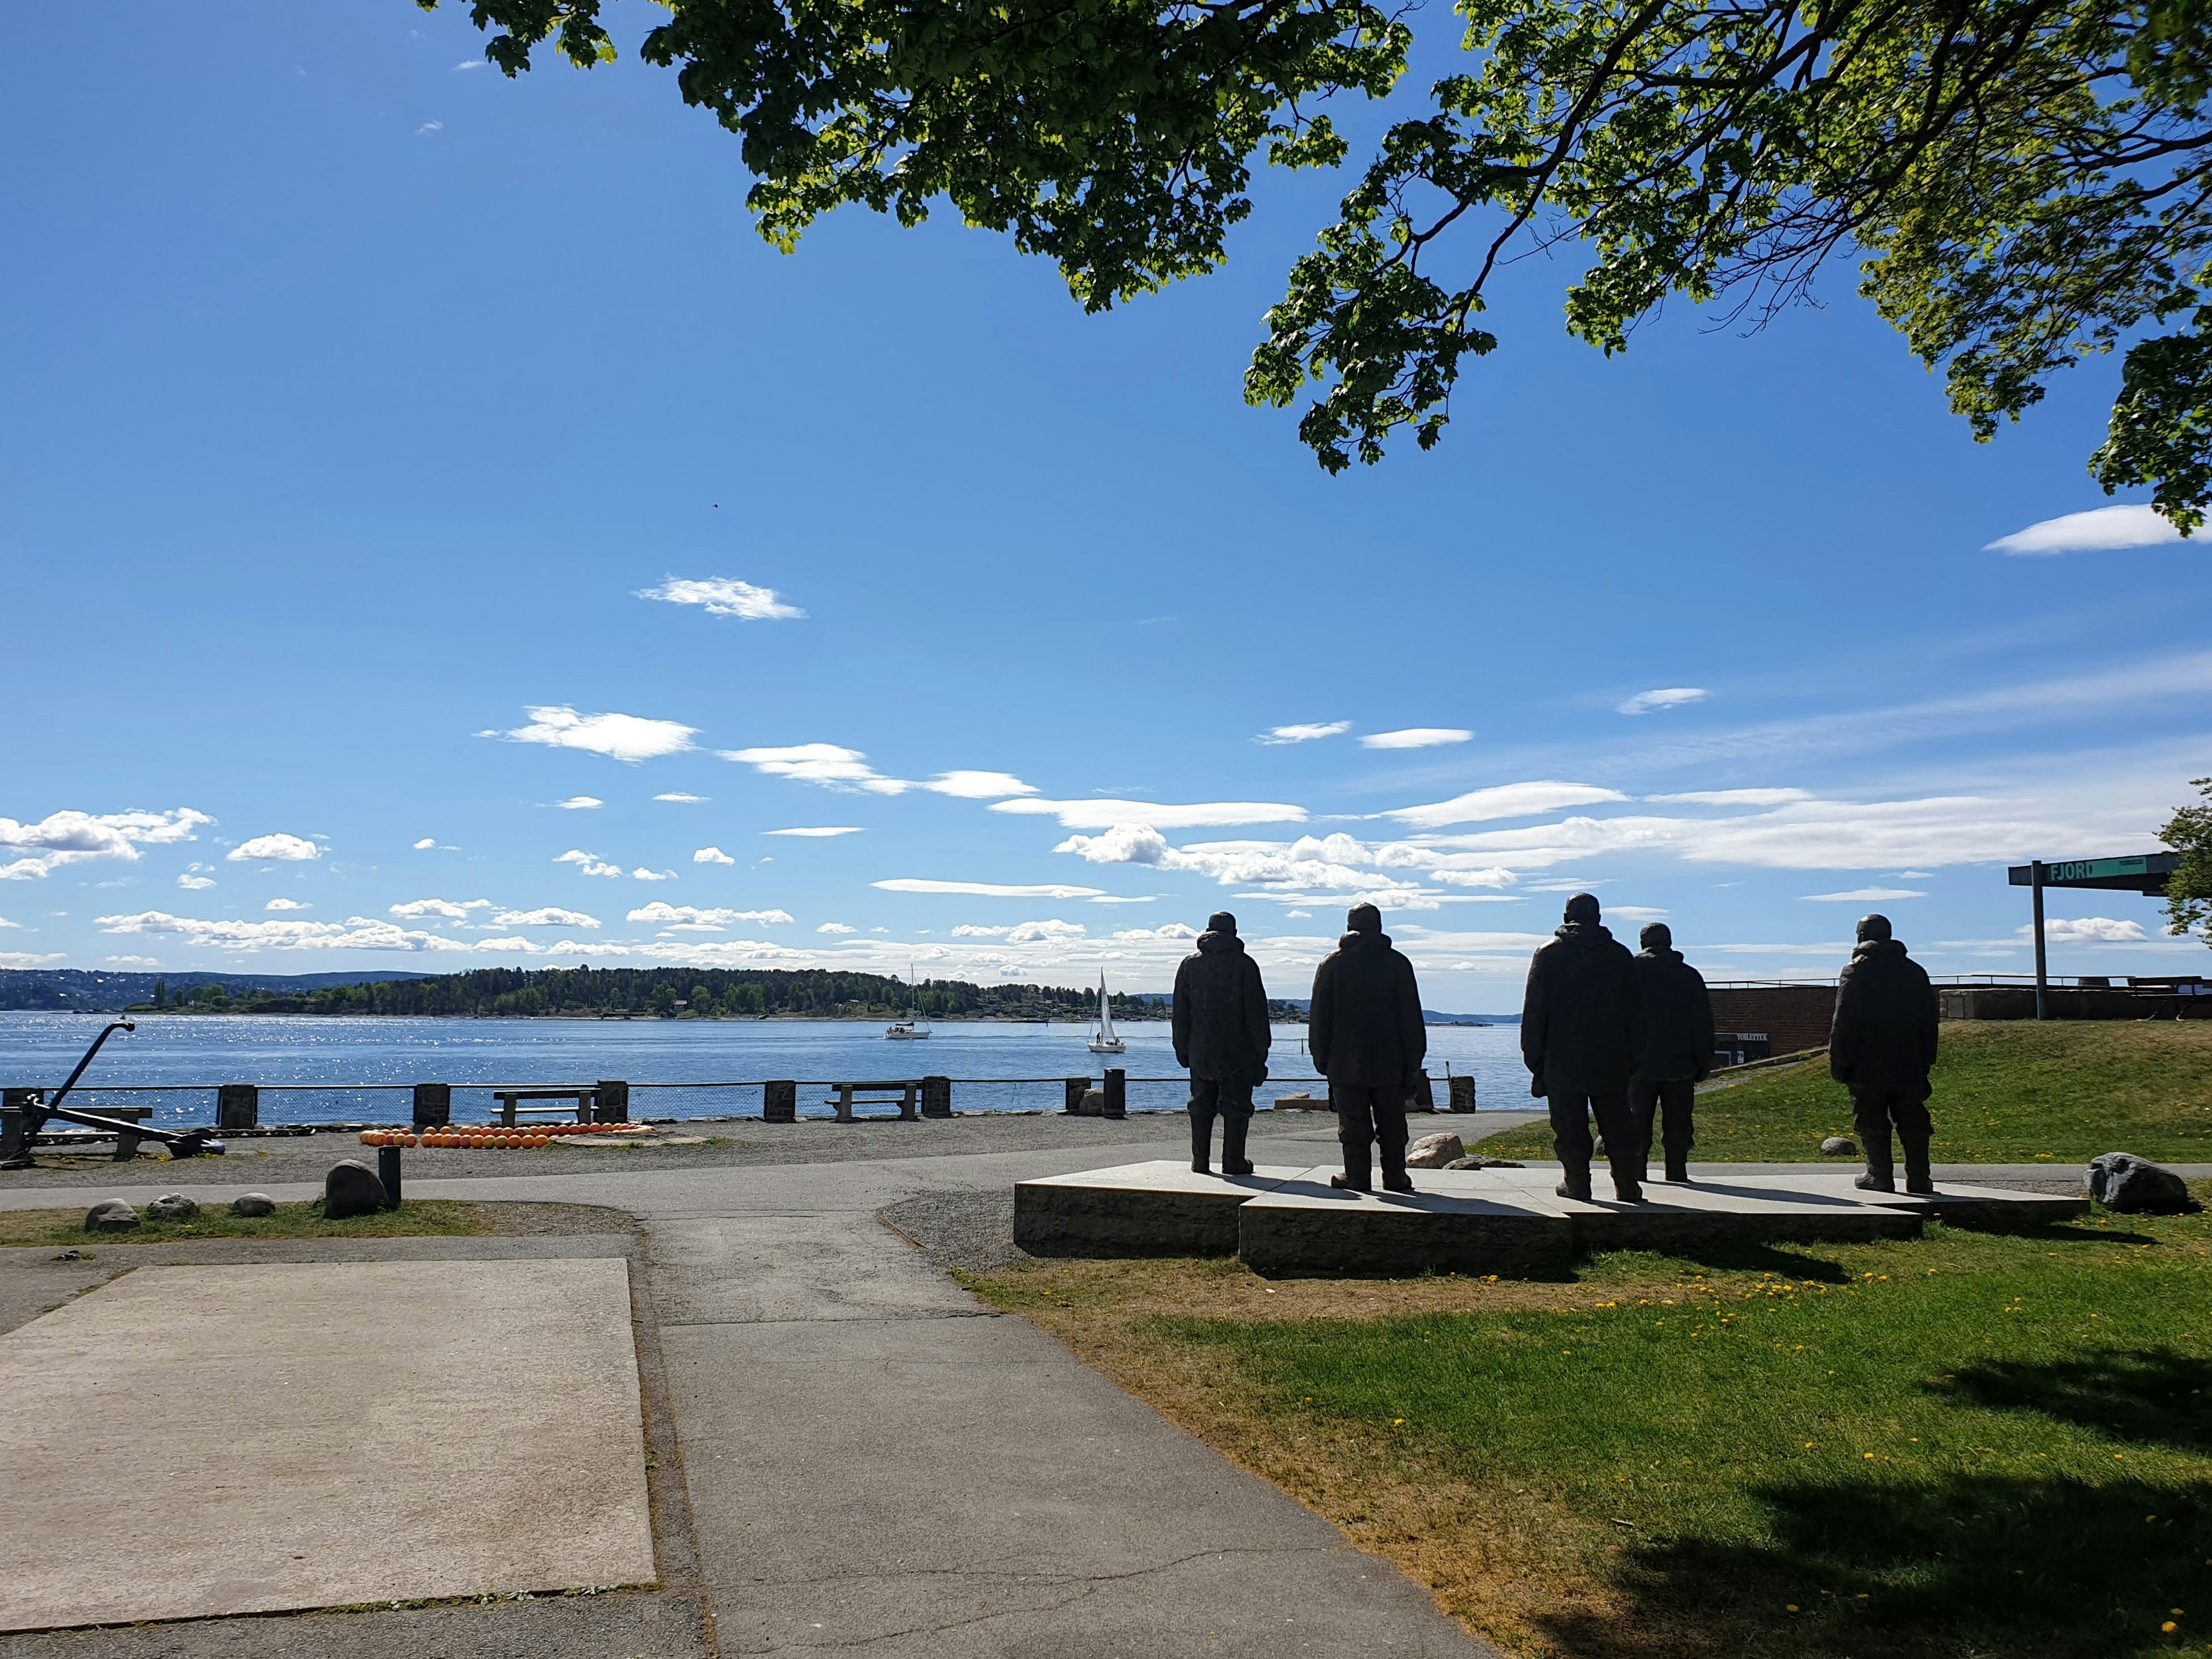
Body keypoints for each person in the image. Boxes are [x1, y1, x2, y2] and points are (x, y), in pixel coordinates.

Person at [1521, 893, 1644, 1203]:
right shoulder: (1620, 955)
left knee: (1569, 1125)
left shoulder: (1548, 954)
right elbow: (1637, 1015)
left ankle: (1577, 1183)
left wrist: (1535, 1061)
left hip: (1561, 1057)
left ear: (1566, 918)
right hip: (1612, 1056)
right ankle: (1627, 1185)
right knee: (1618, 1122)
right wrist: (1634, 1057)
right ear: (1599, 919)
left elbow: (1535, 1013)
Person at [1308, 903, 1425, 1193]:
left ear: (1350, 927)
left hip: (1345, 1060)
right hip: (1391, 1061)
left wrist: (1320, 1056)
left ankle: (1358, 1176)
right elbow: (1412, 1020)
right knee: (1393, 1123)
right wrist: (1413, 1062)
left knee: (1353, 1123)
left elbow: (1320, 1018)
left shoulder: (1333, 964)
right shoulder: (1398, 964)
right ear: (1379, 927)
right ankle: (1396, 1177)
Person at [1829, 914, 1939, 1194]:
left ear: (1862, 937)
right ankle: (1919, 1178)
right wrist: (1926, 1061)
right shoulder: (1914, 971)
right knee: (1913, 1120)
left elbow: (1843, 1021)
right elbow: (1929, 1023)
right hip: (1909, 1061)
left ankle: (1879, 1175)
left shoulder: (1856, 971)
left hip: (1867, 1064)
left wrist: (1839, 1062)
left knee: (1871, 1120)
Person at [1171, 911, 1271, 1175]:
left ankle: (1200, 1161)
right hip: (1239, 1053)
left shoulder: (1189, 965)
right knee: (1237, 1107)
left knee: (1200, 1106)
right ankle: (1233, 1160)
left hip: (1200, 1051)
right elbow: (1258, 1016)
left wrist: (1182, 1050)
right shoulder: (1246, 965)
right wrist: (1262, 1054)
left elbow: (1180, 1015)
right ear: (1235, 934)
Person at [1627, 921, 1714, 1184]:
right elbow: (1703, 1024)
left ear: (1643, 944)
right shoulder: (1689, 976)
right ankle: (1677, 1170)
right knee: (1679, 1122)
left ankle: (1635, 1171)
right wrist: (1704, 1062)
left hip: (1637, 1064)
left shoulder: (1630, 974)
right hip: (1680, 1063)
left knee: (1637, 1120)